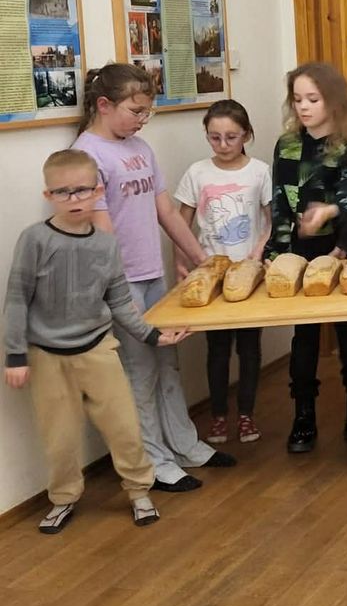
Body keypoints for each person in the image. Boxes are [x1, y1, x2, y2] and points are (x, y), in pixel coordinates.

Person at [4, 150, 188, 533]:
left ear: (98, 191)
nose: (74, 199)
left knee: (124, 426)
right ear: (48, 195)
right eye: (63, 192)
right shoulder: (35, 240)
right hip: (47, 356)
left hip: (98, 349)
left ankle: (139, 491)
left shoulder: (105, 244)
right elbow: (17, 298)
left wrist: (154, 336)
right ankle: (63, 499)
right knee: (60, 437)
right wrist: (15, 355)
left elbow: (120, 301)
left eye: (82, 191)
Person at [73, 63, 233, 491]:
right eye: (136, 110)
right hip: (120, 285)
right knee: (138, 373)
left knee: (168, 362)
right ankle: (154, 461)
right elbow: (103, 233)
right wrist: (119, 292)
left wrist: (203, 259)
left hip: (153, 276)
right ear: (104, 105)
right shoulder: (88, 155)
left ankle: (185, 443)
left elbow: (165, 212)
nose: (143, 119)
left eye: (147, 112)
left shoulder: (140, 148)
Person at [268, 63, 347, 454]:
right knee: (304, 339)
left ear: (333, 100)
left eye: (314, 99)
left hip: (343, 251)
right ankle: (303, 416)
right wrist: (275, 253)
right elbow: (279, 202)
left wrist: (328, 212)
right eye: (298, 99)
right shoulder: (287, 145)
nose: (304, 107)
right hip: (299, 254)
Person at [174, 100, 271, 444]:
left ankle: (246, 414)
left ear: (246, 134)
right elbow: (180, 222)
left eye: (231, 137)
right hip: (210, 271)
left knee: (249, 348)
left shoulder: (259, 171)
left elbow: (271, 220)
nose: (224, 145)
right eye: (215, 138)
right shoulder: (197, 172)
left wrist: (261, 250)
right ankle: (217, 416)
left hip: (248, 272)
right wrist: (180, 260)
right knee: (216, 349)